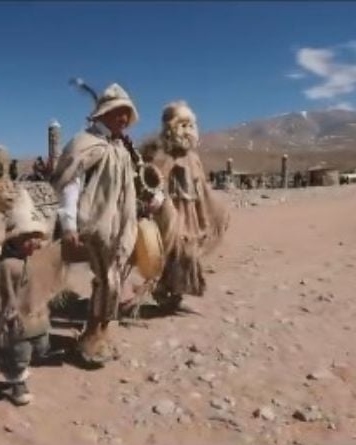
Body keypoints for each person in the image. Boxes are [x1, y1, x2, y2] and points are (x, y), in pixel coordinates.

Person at [50, 83, 143, 365]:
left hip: (119, 225)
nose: (123, 119)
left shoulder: (121, 148)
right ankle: (91, 338)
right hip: (94, 224)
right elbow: (70, 184)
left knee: (112, 279)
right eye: (117, 113)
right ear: (103, 114)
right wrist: (69, 225)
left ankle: (99, 333)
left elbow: (130, 185)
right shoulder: (85, 143)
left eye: (126, 113)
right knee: (108, 280)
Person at [140, 101, 230, 312]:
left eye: (191, 125)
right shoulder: (164, 157)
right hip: (171, 211)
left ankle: (176, 292)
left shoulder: (194, 158)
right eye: (183, 125)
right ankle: (164, 291)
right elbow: (154, 180)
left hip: (192, 211)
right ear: (171, 128)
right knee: (172, 251)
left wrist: (211, 209)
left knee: (188, 252)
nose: (187, 131)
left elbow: (201, 187)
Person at [0, 188, 59, 406]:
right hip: (15, 320)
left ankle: (4, 358)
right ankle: (18, 387)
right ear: (16, 239)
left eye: (36, 238)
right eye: (29, 239)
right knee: (19, 352)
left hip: (34, 313)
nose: (35, 244)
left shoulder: (30, 261)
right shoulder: (5, 266)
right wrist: (5, 311)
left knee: (41, 344)